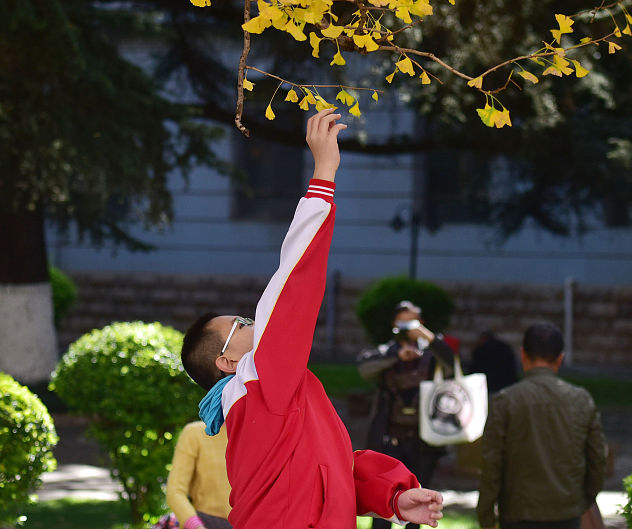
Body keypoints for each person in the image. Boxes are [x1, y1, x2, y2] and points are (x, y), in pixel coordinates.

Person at [180, 109, 443, 529]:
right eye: (243, 324)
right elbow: (293, 286)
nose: (255, 323)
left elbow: (329, 468)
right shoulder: (258, 382)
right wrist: (323, 176)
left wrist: (393, 497)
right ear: (227, 363)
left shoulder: (274, 398)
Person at [476, 322, 609, 529]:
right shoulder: (581, 399)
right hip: (567, 512)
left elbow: (491, 465)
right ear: (560, 359)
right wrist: (583, 500)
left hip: (518, 513)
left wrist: (486, 518)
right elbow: (598, 458)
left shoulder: (506, 401)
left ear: (523, 355)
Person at [357, 300, 455, 529]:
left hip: (422, 440)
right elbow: (364, 367)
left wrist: (427, 337)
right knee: (382, 500)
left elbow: (452, 363)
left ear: (421, 323)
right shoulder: (386, 352)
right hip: (389, 440)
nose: (406, 329)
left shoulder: (432, 354)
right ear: (394, 324)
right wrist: (396, 357)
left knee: (418, 501)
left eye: (411, 322)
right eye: (402, 323)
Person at [164, 420, 232, 529]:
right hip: (207, 523)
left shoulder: (259, 434)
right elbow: (175, 491)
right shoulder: (194, 433)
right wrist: (196, 526)